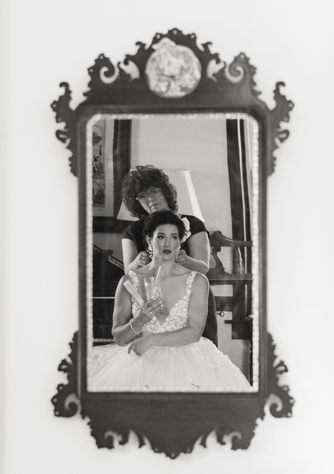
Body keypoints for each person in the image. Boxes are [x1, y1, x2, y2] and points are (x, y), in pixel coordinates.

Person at [90, 210, 252, 392]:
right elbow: (119, 337)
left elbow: (194, 332)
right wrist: (139, 320)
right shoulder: (129, 281)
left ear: (179, 243)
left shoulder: (197, 281)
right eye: (161, 236)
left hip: (188, 362)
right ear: (149, 239)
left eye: (174, 237)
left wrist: (150, 340)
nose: (167, 243)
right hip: (139, 362)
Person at [118, 165, 218, 345]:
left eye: (154, 192)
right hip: (149, 305)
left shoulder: (193, 224)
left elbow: (203, 267)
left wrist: (186, 261)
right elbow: (128, 272)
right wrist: (137, 262)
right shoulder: (132, 231)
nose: (150, 199)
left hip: (189, 300)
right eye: (142, 196)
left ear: (165, 192)